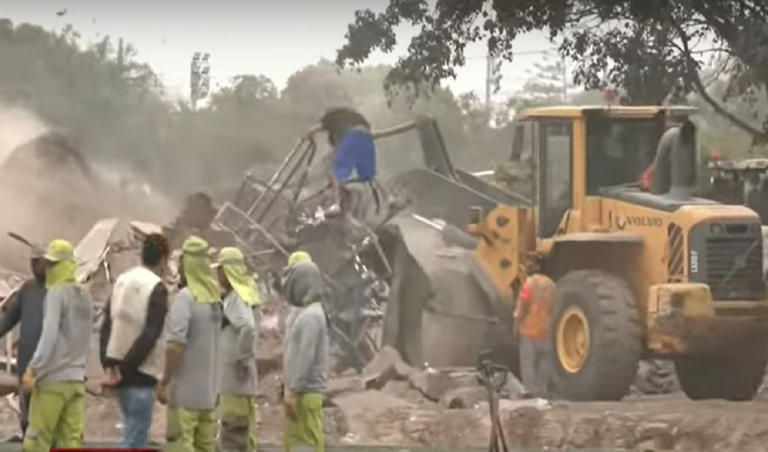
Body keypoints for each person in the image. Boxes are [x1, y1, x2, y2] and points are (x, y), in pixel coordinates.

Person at [100, 233, 171, 448]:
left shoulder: (122, 280)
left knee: (130, 432)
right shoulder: (157, 288)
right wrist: (126, 367)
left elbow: (107, 322)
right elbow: (150, 334)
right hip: (140, 373)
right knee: (136, 438)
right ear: (163, 259)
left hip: (117, 370)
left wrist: (108, 363)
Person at [22, 239, 93, 452]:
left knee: (37, 440)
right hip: (76, 382)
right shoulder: (85, 296)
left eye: (53, 264)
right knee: (70, 442)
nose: (49, 269)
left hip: (52, 381)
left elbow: (49, 335)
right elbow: (86, 338)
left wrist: (33, 368)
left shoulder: (56, 293)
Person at [158, 236, 222, 452]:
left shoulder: (185, 299)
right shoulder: (216, 300)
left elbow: (175, 345)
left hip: (184, 397)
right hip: (208, 397)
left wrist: (164, 381)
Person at [280, 252, 329, 452]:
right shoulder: (311, 313)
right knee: (300, 441)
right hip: (304, 393)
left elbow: (304, 357)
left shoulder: (310, 317)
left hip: (305, 394)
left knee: (304, 444)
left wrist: (293, 390)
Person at [214, 247, 261, 452]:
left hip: (234, 380)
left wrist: (241, 357)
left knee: (233, 437)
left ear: (227, 271)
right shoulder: (248, 291)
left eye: (220, 270)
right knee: (245, 435)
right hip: (242, 384)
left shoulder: (236, 296)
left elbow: (247, 327)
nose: (217, 275)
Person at [0, 245, 47, 439]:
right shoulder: (27, 289)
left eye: (39, 261)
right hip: (27, 367)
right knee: (27, 422)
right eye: (33, 262)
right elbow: (8, 319)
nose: (35, 266)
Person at [307, 107, 378, 217]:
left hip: (355, 133)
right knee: (368, 175)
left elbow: (313, 129)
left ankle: (337, 204)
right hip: (367, 136)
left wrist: (310, 135)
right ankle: (388, 199)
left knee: (334, 171)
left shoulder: (331, 118)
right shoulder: (350, 118)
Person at [513, 268, 556, 399]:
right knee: (544, 364)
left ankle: (530, 392)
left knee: (528, 364)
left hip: (528, 331)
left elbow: (523, 307)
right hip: (545, 332)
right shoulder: (551, 285)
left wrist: (516, 325)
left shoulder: (529, 284)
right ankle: (542, 392)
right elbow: (554, 307)